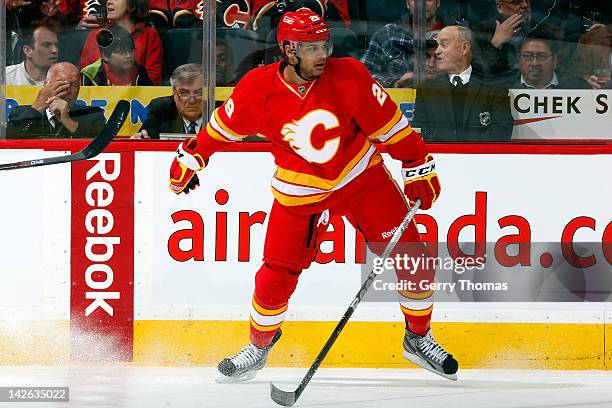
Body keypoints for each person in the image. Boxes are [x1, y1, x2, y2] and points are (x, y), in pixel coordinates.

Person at [168, 8, 458, 382]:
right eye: (310, 47)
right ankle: (259, 346)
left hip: (360, 178)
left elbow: (391, 128)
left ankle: (418, 339)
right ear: (289, 50)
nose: (322, 53)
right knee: (275, 276)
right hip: (299, 191)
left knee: (414, 256)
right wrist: (193, 155)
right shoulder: (258, 87)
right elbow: (221, 129)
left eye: (324, 44)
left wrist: (417, 163)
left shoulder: (350, 75)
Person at [413, 25, 513, 142]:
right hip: (441, 159)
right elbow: (419, 133)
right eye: (437, 45)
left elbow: (502, 132)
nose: (437, 51)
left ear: (464, 48)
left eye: (444, 45)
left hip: (480, 159)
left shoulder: (494, 87)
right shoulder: (427, 90)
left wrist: (467, 155)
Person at [361, 0, 456, 88]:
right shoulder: (387, 34)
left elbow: (468, 75)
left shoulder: (458, 34)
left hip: (445, 100)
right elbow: (362, 74)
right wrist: (395, 82)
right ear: (407, 3)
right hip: (398, 102)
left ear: (438, 2)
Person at [471, 0, 564, 85]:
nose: (525, 5)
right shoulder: (480, 32)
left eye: (527, 0)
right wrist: (496, 44)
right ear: (500, 7)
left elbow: (562, 72)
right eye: (516, 2)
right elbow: (481, 75)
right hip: (498, 92)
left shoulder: (552, 33)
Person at [6, 62, 106, 139]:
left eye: (74, 85)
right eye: (61, 83)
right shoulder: (20, 113)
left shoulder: (93, 114)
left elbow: (99, 145)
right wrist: (38, 106)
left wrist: (68, 121)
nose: (68, 90)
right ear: (46, 85)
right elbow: (9, 137)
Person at [80, 0, 163, 85]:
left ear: (132, 4)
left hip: (137, 95)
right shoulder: (97, 34)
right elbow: (85, 74)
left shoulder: (149, 34)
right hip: (99, 95)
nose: (109, 2)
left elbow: (154, 79)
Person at [132, 63, 203, 139]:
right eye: (184, 93)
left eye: (199, 92)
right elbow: (144, 137)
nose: (192, 100)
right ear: (174, 93)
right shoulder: (161, 110)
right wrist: (138, 139)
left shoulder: (216, 112)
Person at [81, 24, 153, 85]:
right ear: (105, 55)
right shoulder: (89, 74)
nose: (128, 56)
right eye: (121, 52)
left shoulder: (139, 72)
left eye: (131, 50)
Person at [509, 37, 590, 88]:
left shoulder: (577, 86)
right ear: (519, 60)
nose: (534, 63)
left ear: (554, 60)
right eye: (527, 56)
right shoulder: (504, 88)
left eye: (542, 56)